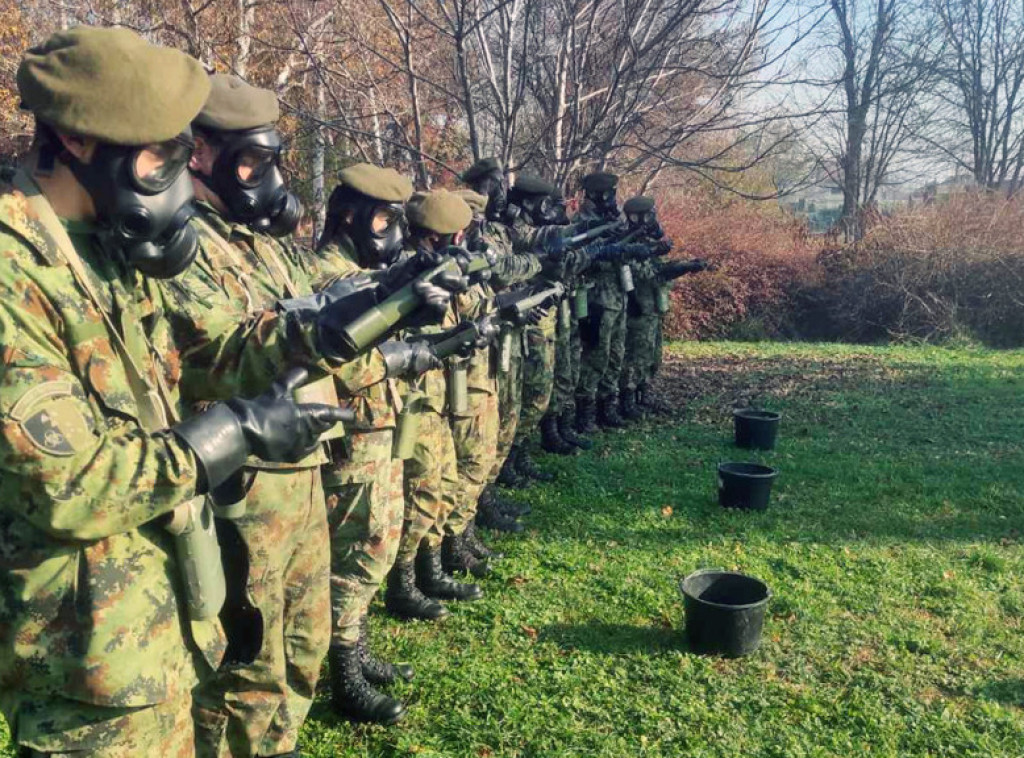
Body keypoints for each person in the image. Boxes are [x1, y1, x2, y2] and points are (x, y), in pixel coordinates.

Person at [0, 27, 348, 757]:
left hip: (155, 625)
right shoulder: (13, 270)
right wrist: (237, 435)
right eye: (159, 156)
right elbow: (70, 482)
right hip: (82, 666)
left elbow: (196, 361)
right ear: (78, 141)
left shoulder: (100, 247)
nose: (177, 181)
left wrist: (335, 327)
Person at [314, 163, 449, 725]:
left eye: (395, 219)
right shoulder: (329, 276)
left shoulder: (366, 273)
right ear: (347, 214)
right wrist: (395, 354)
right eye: (382, 218)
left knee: (376, 543)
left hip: (378, 424)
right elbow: (329, 357)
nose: (392, 232)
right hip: (351, 431)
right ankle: (342, 671)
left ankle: (357, 648)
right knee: (355, 550)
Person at [574, 171, 629, 431]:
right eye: (610, 194)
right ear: (598, 194)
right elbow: (582, 259)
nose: (613, 199)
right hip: (596, 298)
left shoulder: (614, 218)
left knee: (615, 353)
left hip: (617, 295)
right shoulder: (583, 222)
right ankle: (585, 411)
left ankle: (608, 404)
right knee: (596, 355)